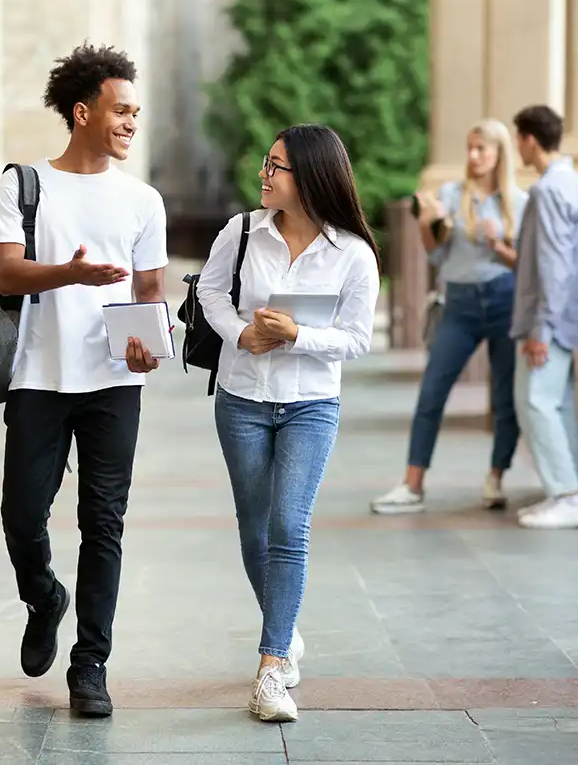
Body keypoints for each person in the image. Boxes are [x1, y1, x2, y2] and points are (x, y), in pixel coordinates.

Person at [0, 44, 168, 717]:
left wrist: (147, 348)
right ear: (83, 111)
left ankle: (89, 665)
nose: (130, 122)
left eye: (136, 113)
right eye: (121, 110)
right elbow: (6, 273)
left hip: (115, 382)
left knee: (104, 523)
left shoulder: (143, 199)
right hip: (38, 374)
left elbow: (149, 287)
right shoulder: (23, 184)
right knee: (22, 514)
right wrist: (71, 273)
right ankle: (44, 596)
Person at [197, 124, 381, 722]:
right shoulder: (242, 231)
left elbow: (357, 340)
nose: (264, 174)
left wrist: (296, 336)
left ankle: (271, 665)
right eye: (266, 164)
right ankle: (287, 627)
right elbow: (210, 297)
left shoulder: (353, 253)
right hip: (242, 398)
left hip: (311, 405)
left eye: (276, 167)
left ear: (310, 177)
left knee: (288, 525)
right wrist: (242, 333)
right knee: (254, 530)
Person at [371, 119, 528, 515]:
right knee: (432, 391)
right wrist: (427, 224)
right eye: (470, 148)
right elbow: (436, 255)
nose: (473, 157)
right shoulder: (451, 194)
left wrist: (498, 244)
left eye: (482, 150)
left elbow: (526, 266)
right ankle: (412, 484)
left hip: (503, 301)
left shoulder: (519, 202)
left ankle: (495, 478)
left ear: (499, 155)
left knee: (505, 396)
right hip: (458, 304)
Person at [510, 105, 578, 530]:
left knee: (536, 403)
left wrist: (540, 328)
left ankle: (568, 495)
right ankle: (566, 492)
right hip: (570, 315)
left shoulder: (546, 190)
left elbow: (553, 264)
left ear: (528, 139)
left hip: (549, 320)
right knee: (556, 405)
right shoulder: (576, 184)